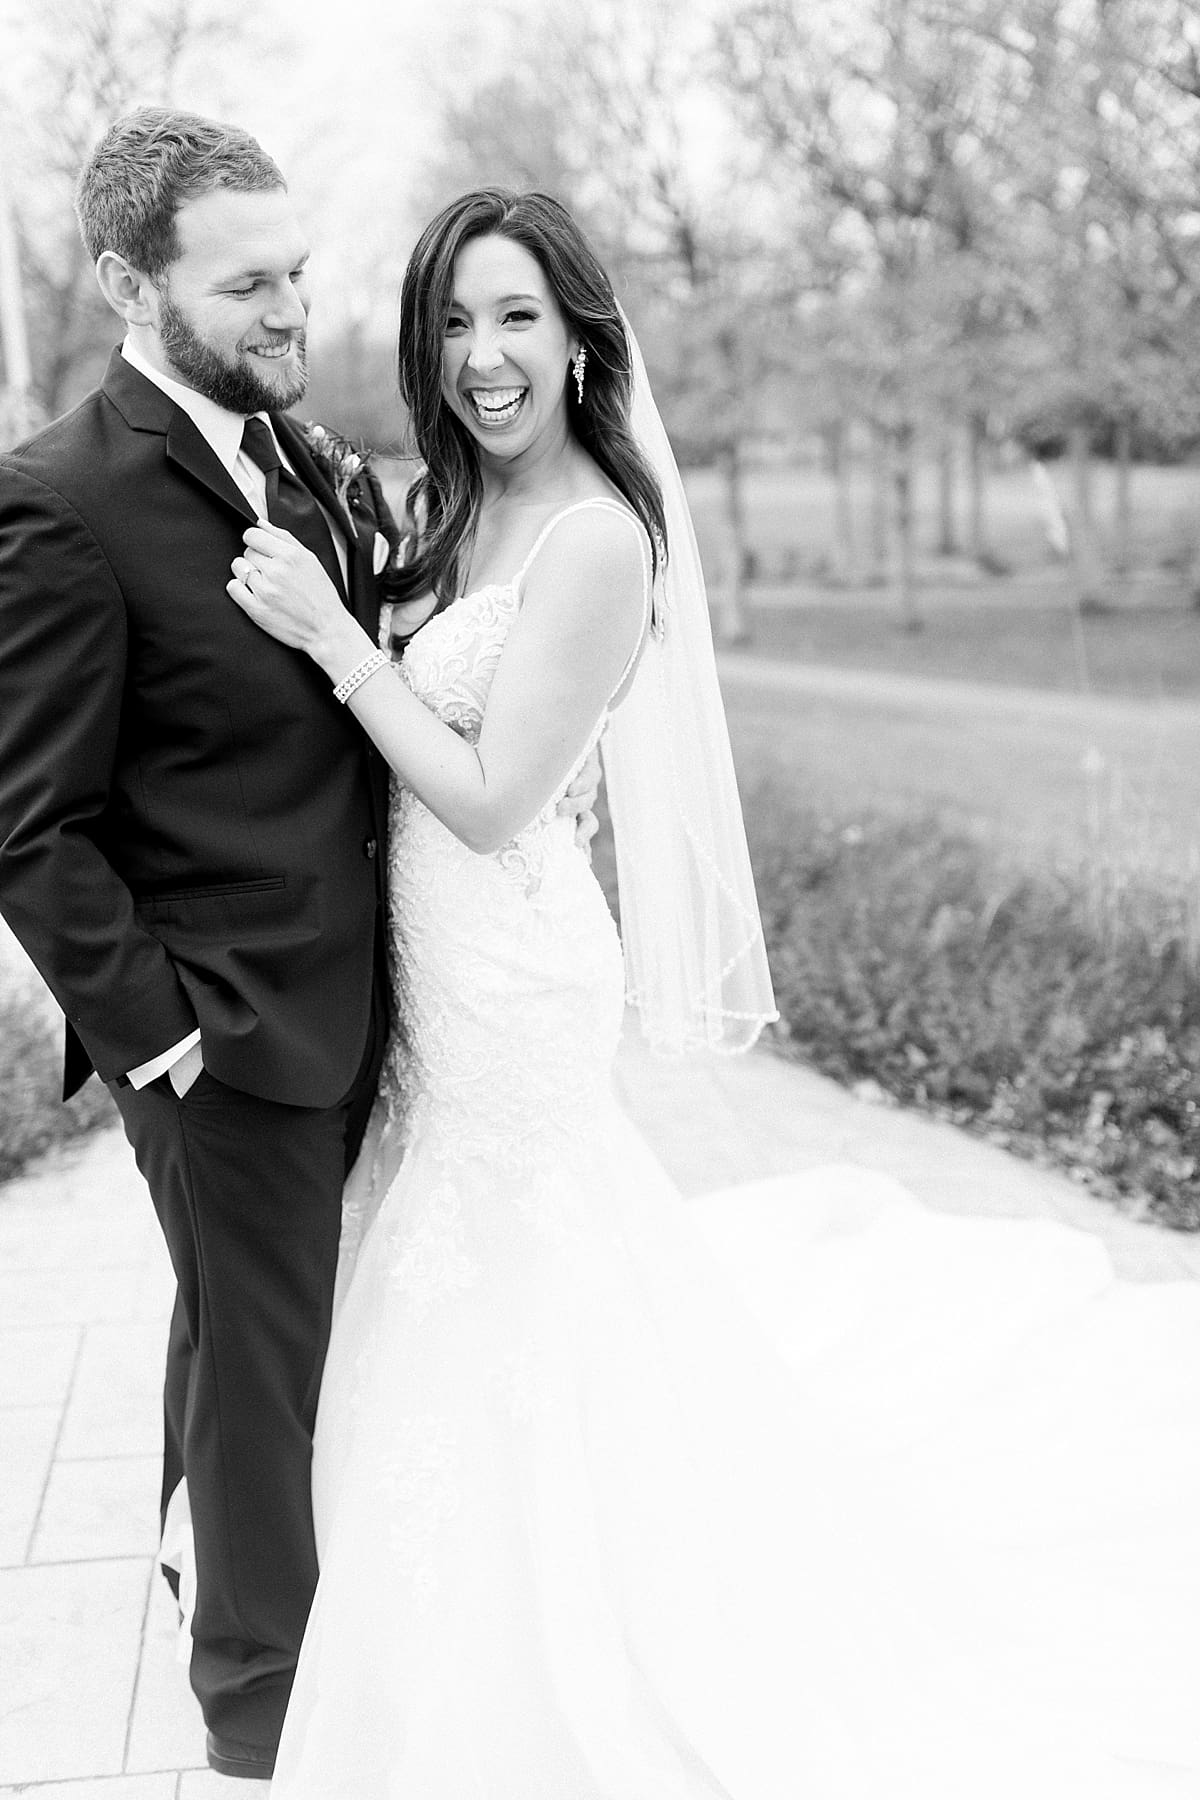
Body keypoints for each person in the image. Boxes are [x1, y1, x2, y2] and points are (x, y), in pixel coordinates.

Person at [229, 186, 1200, 1798]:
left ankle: (561, 1629)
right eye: (455, 321)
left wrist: (340, 640)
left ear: (579, 336)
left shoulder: (600, 537)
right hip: (429, 964)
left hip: (514, 969)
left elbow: (493, 797)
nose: (483, 354)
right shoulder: (451, 506)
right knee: (455, 1263)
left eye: (517, 316)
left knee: (518, 1273)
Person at [0, 117, 597, 1782]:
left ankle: (191, 1563)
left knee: (234, 1327)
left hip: (369, 1000)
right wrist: (164, 1037)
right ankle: (258, 1707)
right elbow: (30, 825)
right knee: (273, 1370)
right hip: (224, 1028)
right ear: (131, 285)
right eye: (245, 285)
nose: (289, 311)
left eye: (297, 272)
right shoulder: (61, 500)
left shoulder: (298, 453)